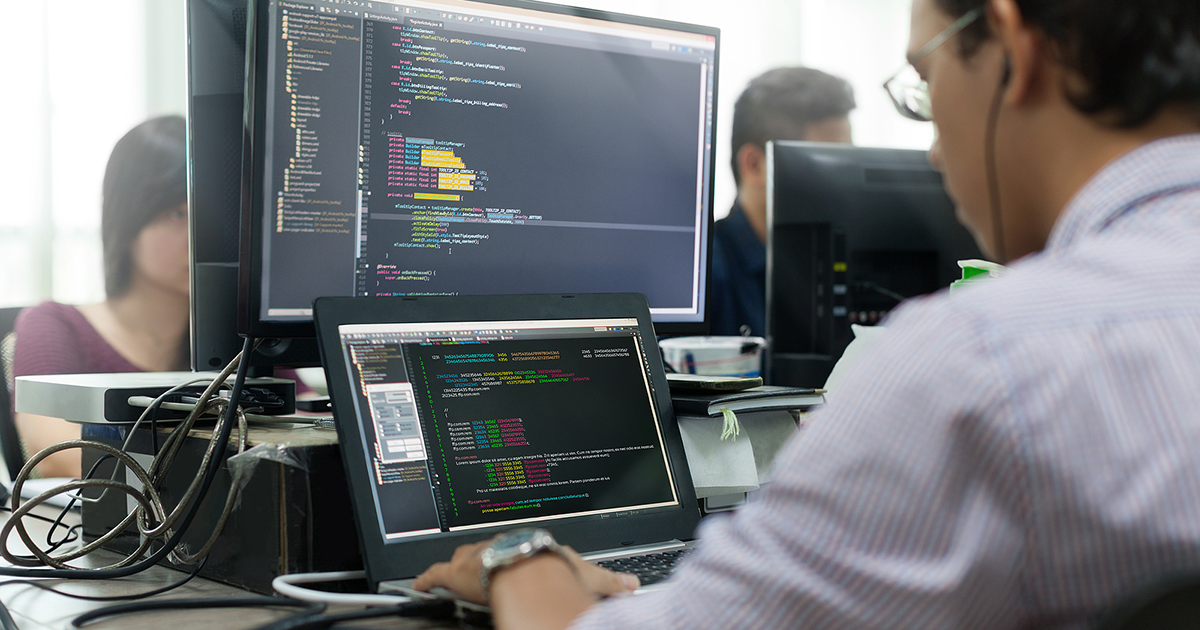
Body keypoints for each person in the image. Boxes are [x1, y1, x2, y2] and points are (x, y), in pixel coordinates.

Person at [413, 0, 1200, 628]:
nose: (931, 150)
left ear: (1010, 41)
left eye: (922, 83)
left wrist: (522, 560)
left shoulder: (979, 362)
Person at [12, 116, 190, 479]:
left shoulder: (242, 338)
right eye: (178, 214)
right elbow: (55, 456)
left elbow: (302, 428)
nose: (204, 234)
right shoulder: (54, 326)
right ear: (127, 222)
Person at [709, 67, 855, 337]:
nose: (842, 181)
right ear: (755, 166)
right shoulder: (706, 275)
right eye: (825, 162)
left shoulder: (838, 268)